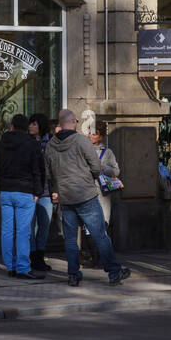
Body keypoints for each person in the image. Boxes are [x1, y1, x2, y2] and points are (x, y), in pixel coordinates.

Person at [45, 108, 130, 288]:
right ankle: (114, 272)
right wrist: (87, 178)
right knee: (100, 235)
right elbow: (96, 168)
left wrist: (58, 188)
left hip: (66, 196)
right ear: (74, 121)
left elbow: (49, 172)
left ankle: (73, 275)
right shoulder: (81, 141)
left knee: (70, 239)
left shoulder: (51, 145)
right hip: (85, 195)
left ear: (60, 124)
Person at [0, 113, 45, 280]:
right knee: (23, 232)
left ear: (11, 126)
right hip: (25, 191)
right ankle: (22, 267)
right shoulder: (32, 145)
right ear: (26, 128)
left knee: (6, 231)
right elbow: (38, 170)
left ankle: (10, 266)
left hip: (6, 191)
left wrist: (0, 188)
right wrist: (37, 192)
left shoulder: (0, 145)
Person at [81, 120, 122, 266]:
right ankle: (94, 257)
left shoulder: (107, 152)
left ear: (101, 136)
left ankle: (103, 258)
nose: (91, 135)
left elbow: (116, 171)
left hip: (103, 195)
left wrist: (102, 167)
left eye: (95, 133)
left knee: (103, 225)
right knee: (88, 226)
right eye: (90, 132)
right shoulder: (82, 150)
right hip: (86, 192)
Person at [27, 112, 53, 272]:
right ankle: (32, 255)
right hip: (30, 191)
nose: (31, 126)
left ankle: (39, 256)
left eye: (34, 124)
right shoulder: (27, 143)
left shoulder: (50, 143)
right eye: (30, 123)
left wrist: (55, 190)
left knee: (44, 225)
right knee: (29, 226)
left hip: (46, 192)